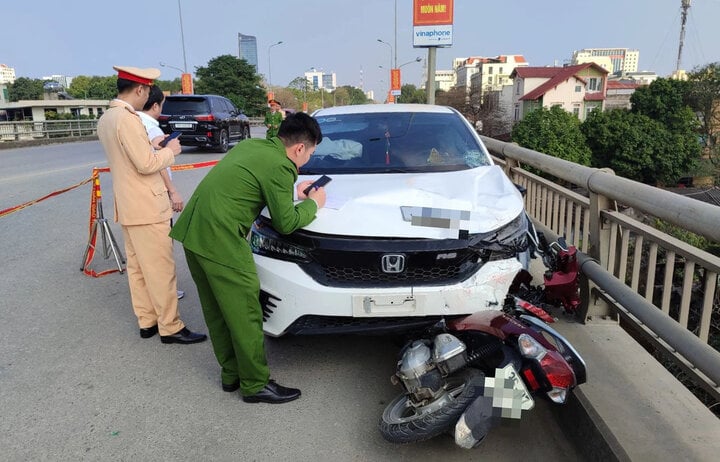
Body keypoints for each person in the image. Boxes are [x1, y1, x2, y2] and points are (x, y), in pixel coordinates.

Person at [170, 112, 326, 403]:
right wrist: (314, 204)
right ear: (300, 148)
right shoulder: (282, 165)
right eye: (311, 152)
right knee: (245, 312)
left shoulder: (253, 147)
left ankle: (231, 375)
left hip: (193, 234)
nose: (309, 160)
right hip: (221, 239)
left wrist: (290, 192)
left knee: (217, 311)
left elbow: (253, 183)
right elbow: (286, 222)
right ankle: (255, 384)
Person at [97, 65, 207, 345]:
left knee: (137, 269)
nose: (145, 96)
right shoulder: (128, 119)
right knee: (160, 270)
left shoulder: (107, 118)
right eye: (145, 90)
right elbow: (146, 164)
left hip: (128, 206)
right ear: (140, 89)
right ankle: (170, 327)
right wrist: (169, 152)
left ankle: (147, 321)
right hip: (147, 206)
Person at [137, 85, 185, 300]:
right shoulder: (152, 128)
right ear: (155, 105)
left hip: (138, 197)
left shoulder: (132, 123)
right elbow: (159, 165)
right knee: (163, 250)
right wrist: (173, 192)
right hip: (156, 195)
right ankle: (166, 294)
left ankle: (150, 292)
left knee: (144, 253)